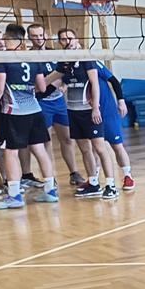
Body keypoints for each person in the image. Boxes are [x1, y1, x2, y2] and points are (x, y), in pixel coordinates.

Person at [0, 24, 60, 209]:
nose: (2, 42)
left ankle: (14, 195)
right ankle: (50, 190)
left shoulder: (2, 58)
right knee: (39, 149)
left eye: (4, 39)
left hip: (13, 112)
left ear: (8, 39)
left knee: (10, 152)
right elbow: (42, 87)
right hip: (35, 111)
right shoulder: (32, 57)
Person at [54, 33, 120, 201]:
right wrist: (34, 87)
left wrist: (96, 108)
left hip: (89, 111)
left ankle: (111, 185)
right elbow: (51, 80)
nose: (68, 41)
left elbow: (95, 83)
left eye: (70, 38)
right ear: (60, 42)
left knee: (99, 147)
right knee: (84, 149)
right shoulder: (63, 62)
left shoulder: (86, 58)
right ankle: (93, 183)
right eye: (64, 39)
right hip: (72, 111)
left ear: (77, 39)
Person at [25, 22, 84, 189]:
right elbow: (38, 87)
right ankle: (50, 177)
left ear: (46, 35)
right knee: (46, 141)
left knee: (67, 138)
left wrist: (62, 84)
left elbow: (66, 75)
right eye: (34, 36)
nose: (39, 39)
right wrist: (54, 82)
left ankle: (74, 173)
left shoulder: (56, 54)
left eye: (41, 35)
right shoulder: (28, 57)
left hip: (59, 102)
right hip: (41, 104)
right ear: (29, 38)